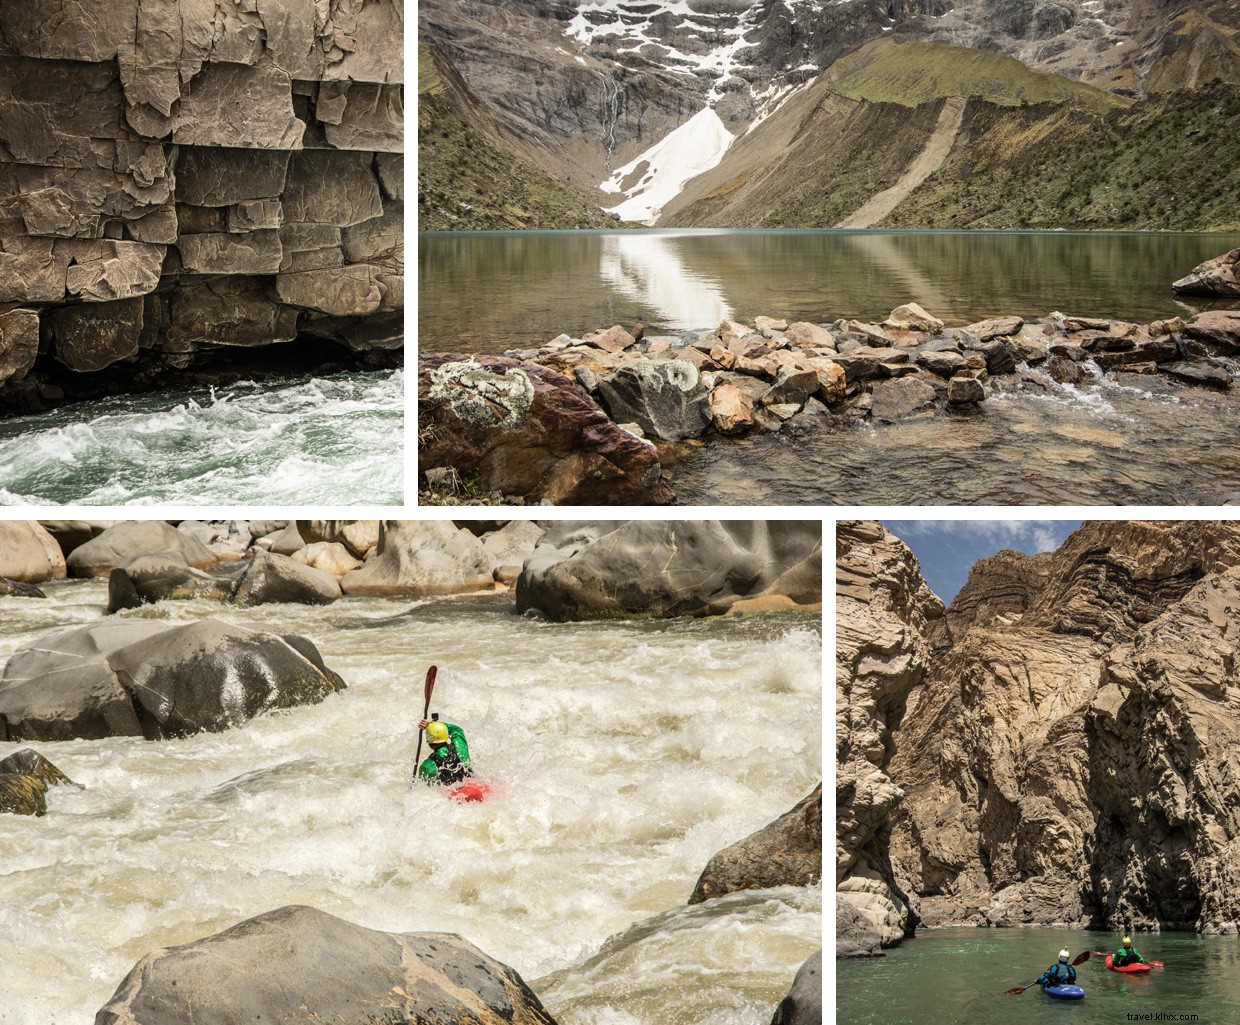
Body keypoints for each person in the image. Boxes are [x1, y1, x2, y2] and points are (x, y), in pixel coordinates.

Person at [416, 716, 473, 785]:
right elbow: (457, 730)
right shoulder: (459, 747)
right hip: (473, 786)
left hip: (453, 793)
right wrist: (432, 724)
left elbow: (425, 789)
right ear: (446, 736)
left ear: (429, 742)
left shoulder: (427, 766)